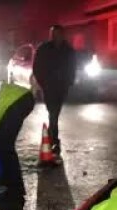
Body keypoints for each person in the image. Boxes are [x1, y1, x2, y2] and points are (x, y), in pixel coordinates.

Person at [33, 24, 76, 165]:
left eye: (58, 34)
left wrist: (69, 82)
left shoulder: (68, 50)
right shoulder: (44, 49)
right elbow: (37, 66)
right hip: (49, 86)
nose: (56, 36)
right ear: (51, 35)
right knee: (53, 112)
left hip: (62, 87)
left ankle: (53, 139)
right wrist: (42, 82)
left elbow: (72, 67)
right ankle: (54, 140)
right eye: (53, 34)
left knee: (54, 112)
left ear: (62, 35)